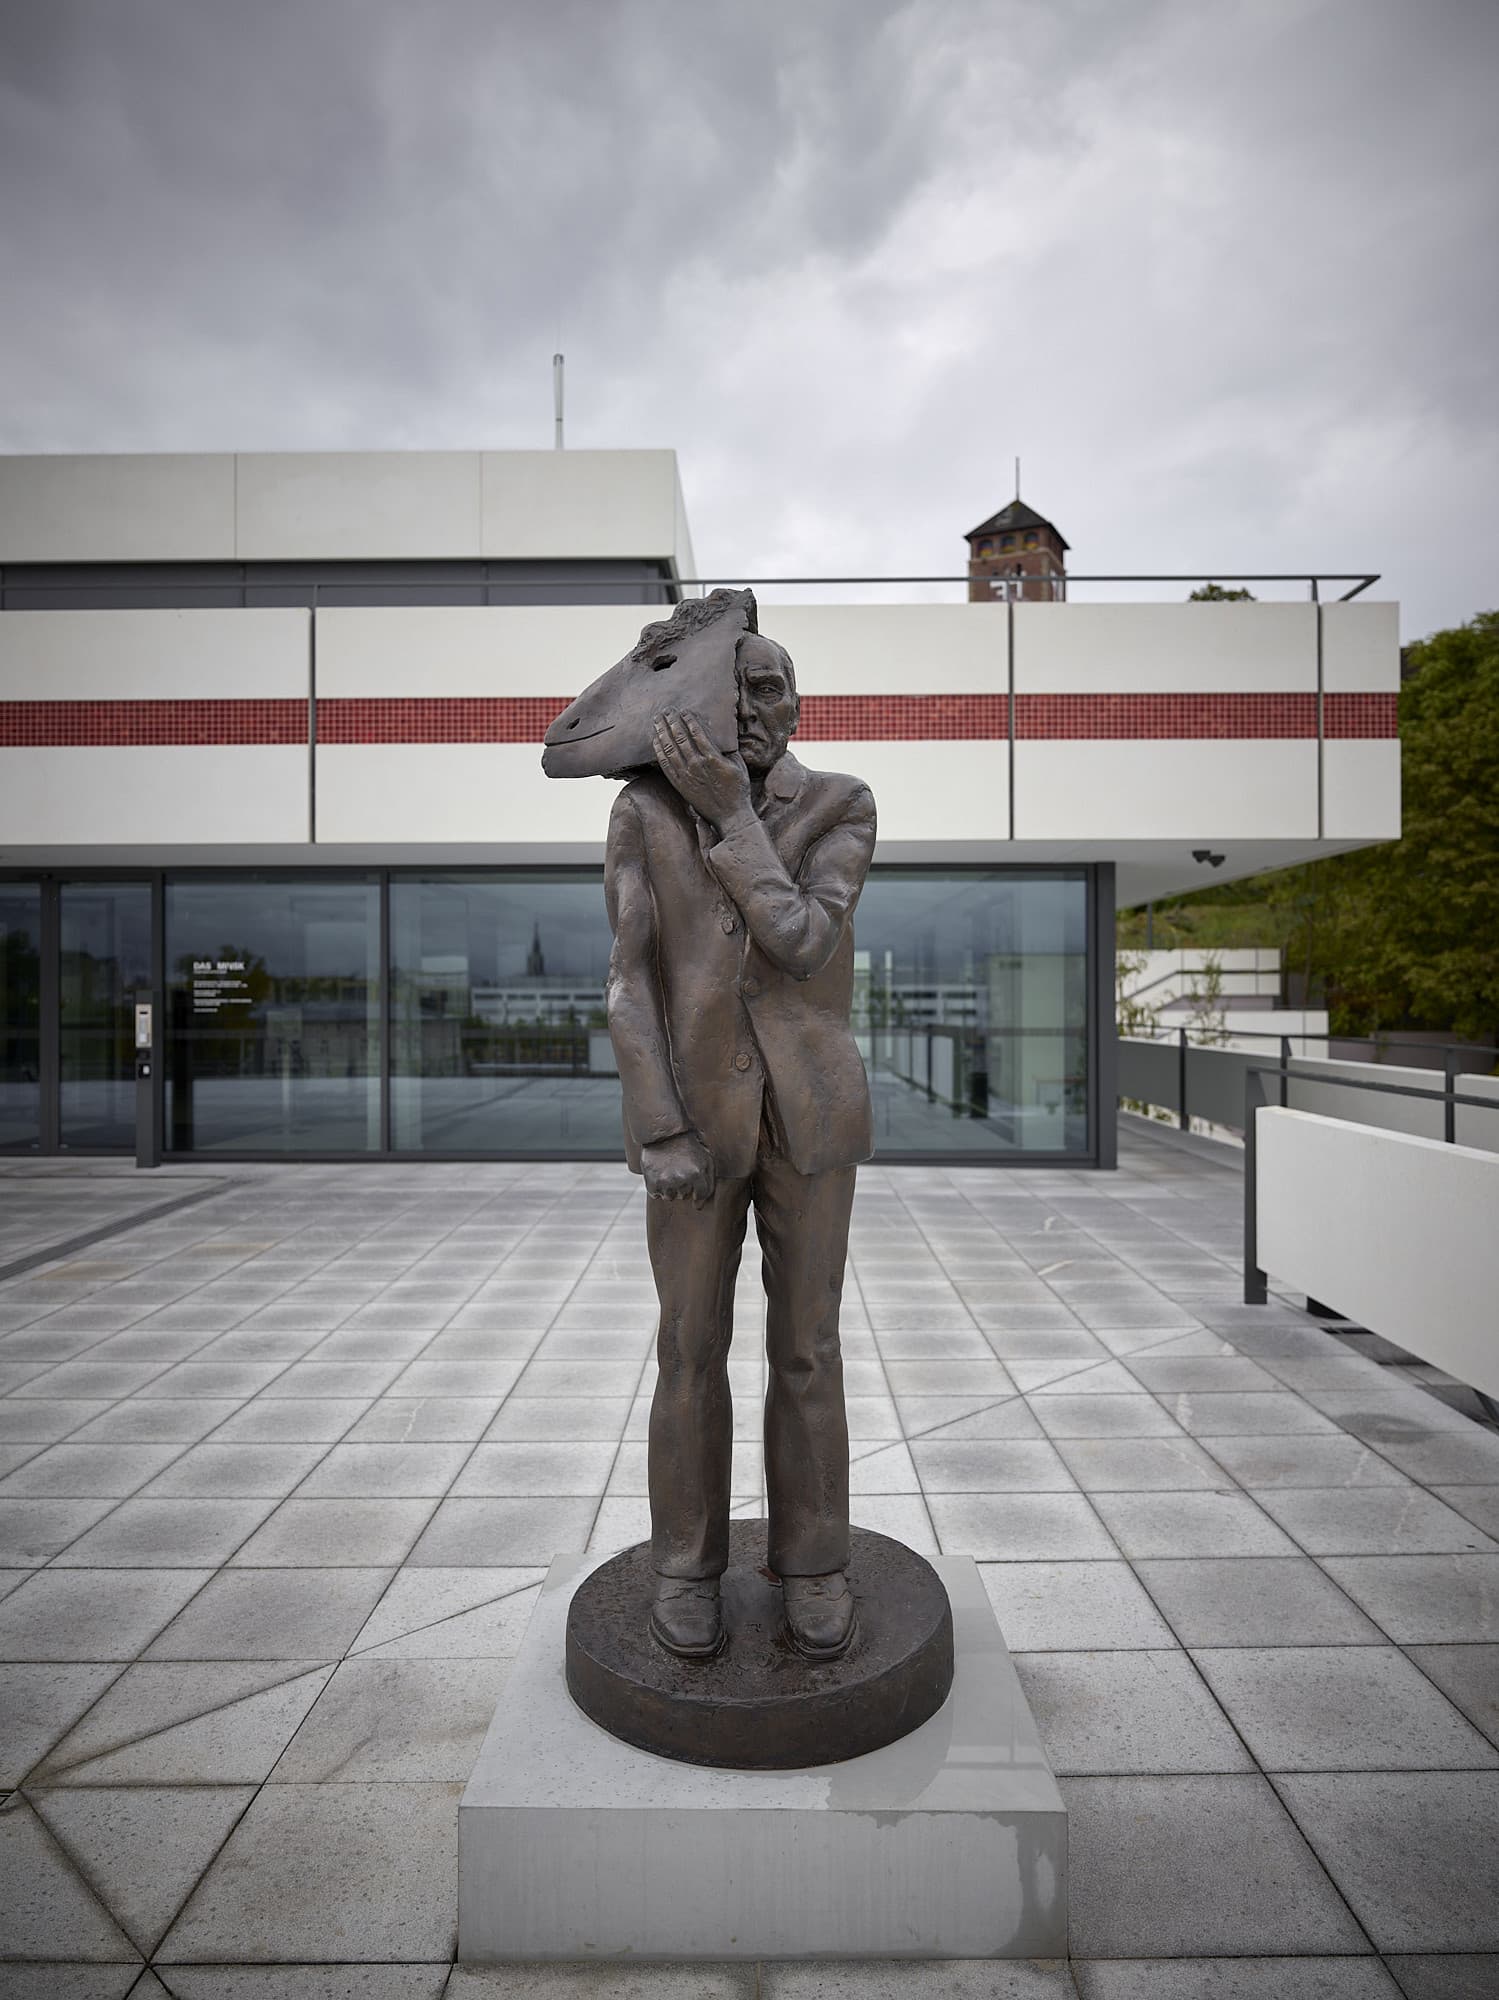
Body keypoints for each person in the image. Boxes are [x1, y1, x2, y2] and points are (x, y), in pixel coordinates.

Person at [603, 631, 876, 1661]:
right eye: (741, 688)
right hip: (694, 1128)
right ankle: (686, 1562)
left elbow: (804, 938)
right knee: (686, 1346)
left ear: (799, 705)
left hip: (809, 1116)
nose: (760, 707)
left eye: (777, 689)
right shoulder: (640, 809)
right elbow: (629, 979)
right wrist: (659, 1125)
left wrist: (727, 814)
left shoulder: (839, 803)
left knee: (805, 1349)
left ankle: (812, 1561)